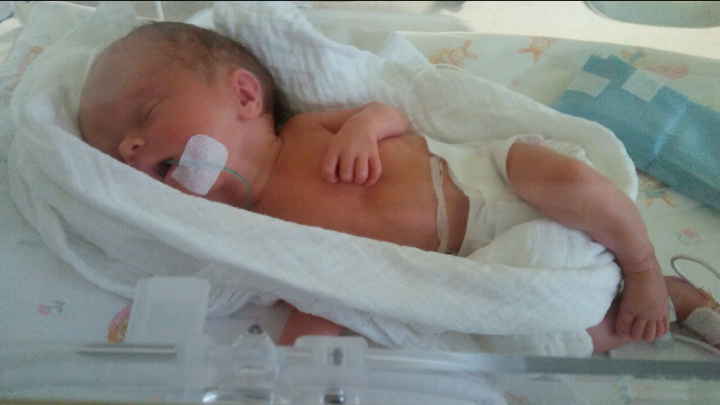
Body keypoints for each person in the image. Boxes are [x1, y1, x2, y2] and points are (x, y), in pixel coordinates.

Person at [79, 22, 719, 353]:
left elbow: (392, 113)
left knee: (569, 181)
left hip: (485, 176)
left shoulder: (303, 132)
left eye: (145, 116)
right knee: (546, 337)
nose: (130, 148)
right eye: (117, 153)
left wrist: (363, 130)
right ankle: (664, 304)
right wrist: (299, 358)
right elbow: (330, 290)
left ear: (245, 95)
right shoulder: (256, 234)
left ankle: (641, 266)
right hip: (481, 261)